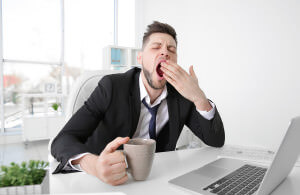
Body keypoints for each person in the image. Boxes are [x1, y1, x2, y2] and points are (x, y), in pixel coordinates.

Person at [51, 21, 225, 186]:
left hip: (154, 181)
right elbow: (62, 140)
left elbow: (216, 140)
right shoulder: (111, 87)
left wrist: (199, 97)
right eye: (156, 47)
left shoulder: (182, 95)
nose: (165, 52)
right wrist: (94, 165)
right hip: (102, 182)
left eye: (171, 49)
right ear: (140, 58)